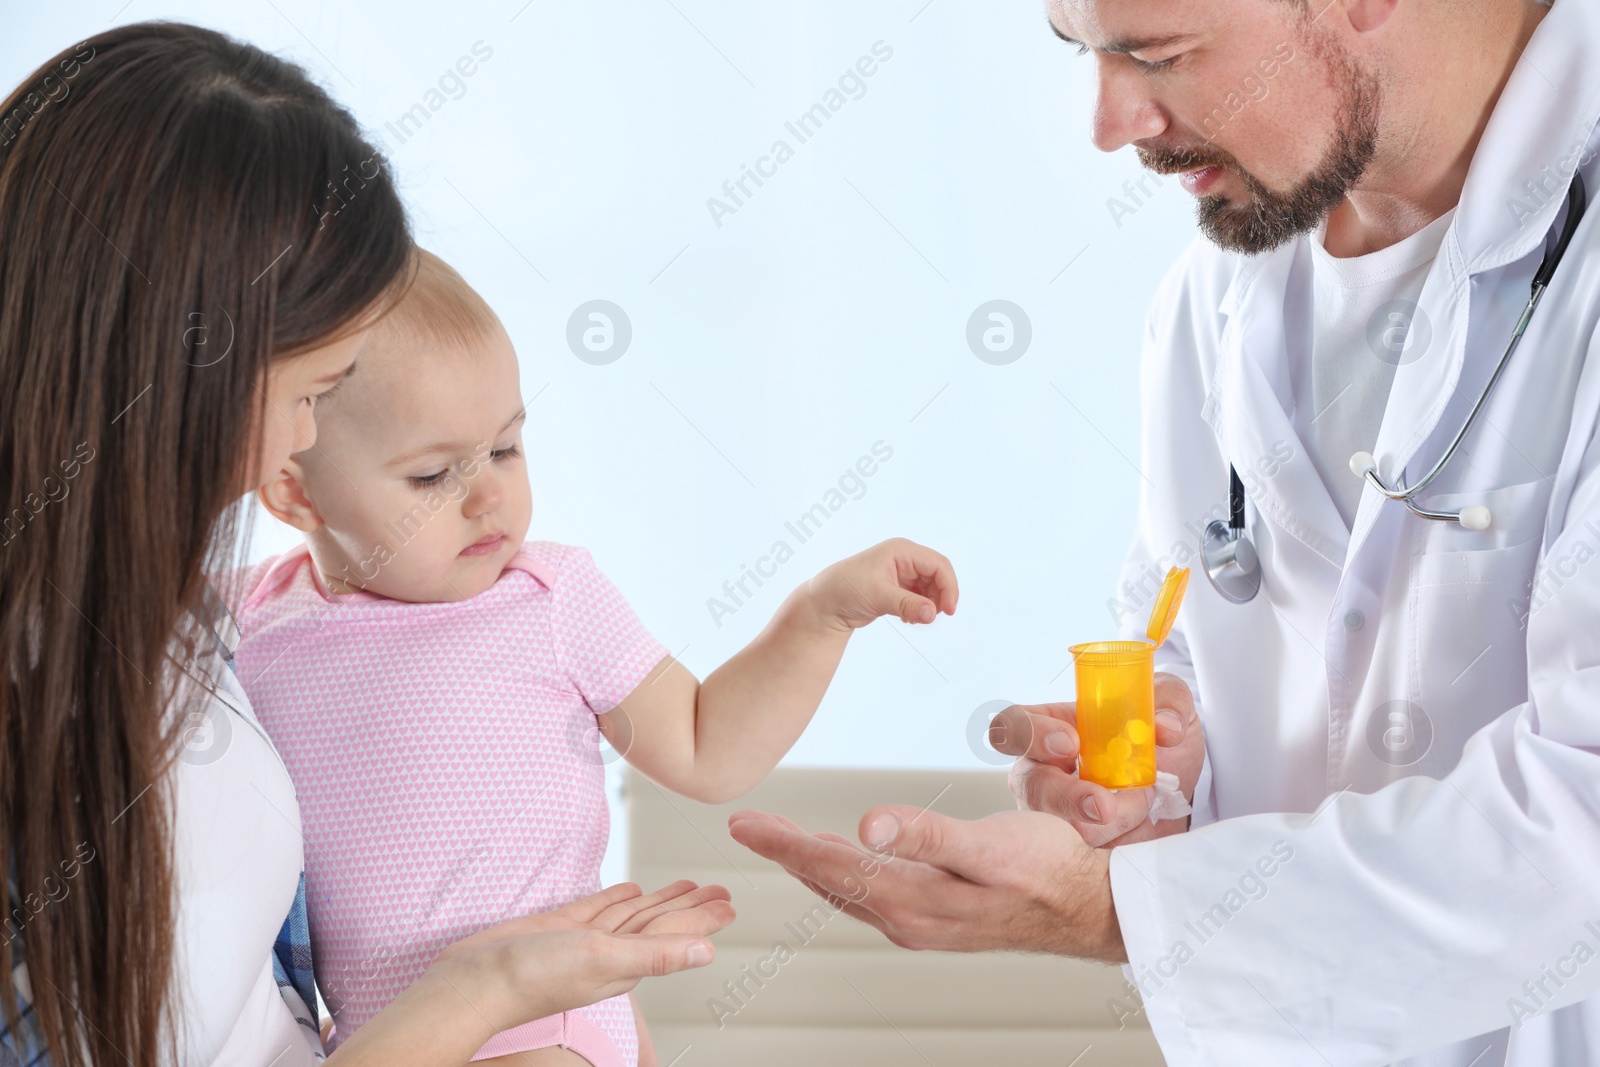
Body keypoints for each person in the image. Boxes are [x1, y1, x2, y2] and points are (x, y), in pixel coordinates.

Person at [730, 0, 1600, 1062]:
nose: (1108, 122)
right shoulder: (1221, 289)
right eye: (1084, 51)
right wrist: (1162, 782)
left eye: (1155, 54)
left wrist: (1116, 910)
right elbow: (1198, 643)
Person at [0, 23, 733, 1067]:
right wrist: (487, 989)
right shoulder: (65, 686)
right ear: (182, 364)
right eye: (307, 392)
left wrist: (548, 1006)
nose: (302, 442)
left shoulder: (190, 624)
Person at [232, 247, 959, 1066]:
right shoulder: (248, 615)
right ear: (292, 490)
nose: (489, 496)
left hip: (545, 1020)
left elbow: (704, 743)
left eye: (506, 448)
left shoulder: (548, 596)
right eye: (434, 475)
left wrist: (821, 617)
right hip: (387, 1036)